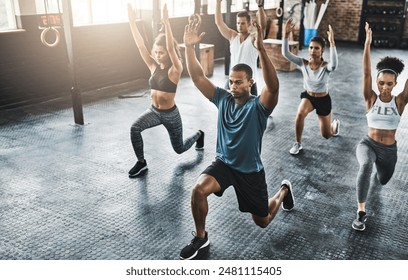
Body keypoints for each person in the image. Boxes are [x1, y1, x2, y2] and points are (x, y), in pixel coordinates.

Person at [179, 15, 294, 260]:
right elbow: (199, 78)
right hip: (224, 164)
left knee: (262, 221)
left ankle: (284, 190)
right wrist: (189, 48)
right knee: (198, 190)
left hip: (250, 172)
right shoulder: (222, 99)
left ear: (250, 83)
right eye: (231, 82)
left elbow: (273, 88)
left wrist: (261, 49)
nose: (233, 86)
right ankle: (201, 238)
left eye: (239, 83)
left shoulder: (259, 107)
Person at [127, 4, 204, 178]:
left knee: (179, 149)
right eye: (156, 52)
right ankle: (141, 163)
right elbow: (141, 46)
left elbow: (171, 48)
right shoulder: (153, 66)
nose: (157, 55)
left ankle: (199, 135)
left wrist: (167, 24)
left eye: (161, 52)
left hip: (171, 115)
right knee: (134, 128)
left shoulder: (175, 69)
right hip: (153, 112)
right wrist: (132, 22)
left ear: (168, 54)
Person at [352, 22, 408, 231]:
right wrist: (367, 43)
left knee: (382, 180)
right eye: (381, 82)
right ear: (377, 82)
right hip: (368, 144)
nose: (384, 87)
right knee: (366, 164)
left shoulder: (400, 102)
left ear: (396, 84)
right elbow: (366, 72)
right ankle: (360, 212)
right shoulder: (370, 98)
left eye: (389, 83)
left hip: (389, 151)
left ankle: (378, 171)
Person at [282, 18, 340, 155]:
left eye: (316, 48)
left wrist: (332, 43)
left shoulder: (326, 66)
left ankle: (334, 126)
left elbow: (335, 65)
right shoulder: (303, 63)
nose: (313, 50)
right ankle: (297, 143)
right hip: (308, 96)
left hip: (323, 99)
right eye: (311, 47)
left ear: (322, 50)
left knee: (326, 135)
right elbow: (286, 54)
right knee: (300, 113)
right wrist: (285, 35)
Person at [215, 0, 266, 96]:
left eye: (242, 23)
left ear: (249, 24)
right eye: (238, 23)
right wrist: (218, 3)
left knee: (250, 110)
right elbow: (219, 23)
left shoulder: (253, 38)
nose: (239, 26)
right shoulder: (233, 36)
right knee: (227, 108)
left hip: (249, 83)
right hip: (233, 81)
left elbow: (262, 27)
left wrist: (260, 6)